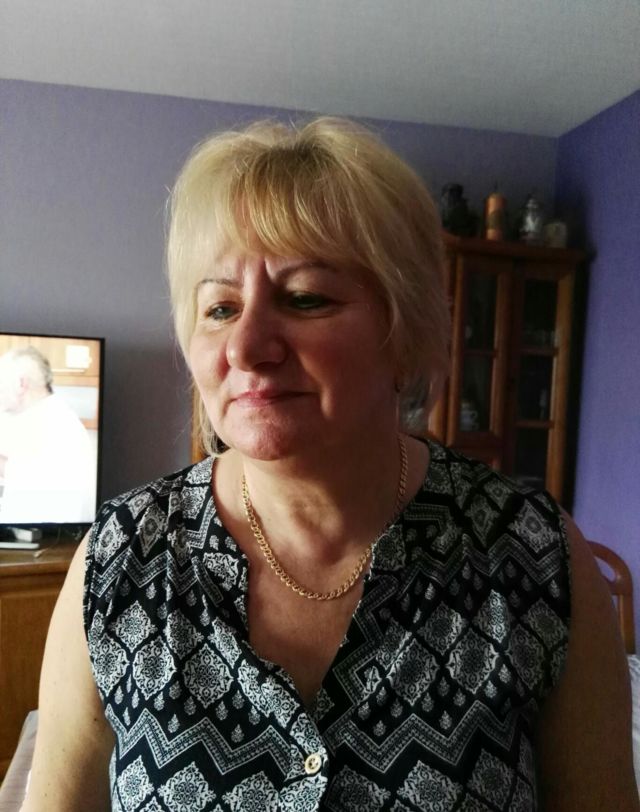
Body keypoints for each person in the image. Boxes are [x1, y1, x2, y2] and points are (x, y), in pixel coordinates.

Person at [22, 118, 638, 811]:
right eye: (220, 307)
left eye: (305, 298)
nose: (246, 346)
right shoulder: (119, 559)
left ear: (404, 330)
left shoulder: (535, 557)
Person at [0, 346, 94, 523]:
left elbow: (27, 477)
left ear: (21, 384)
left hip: (48, 531)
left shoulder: (55, 423)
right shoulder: (44, 415)